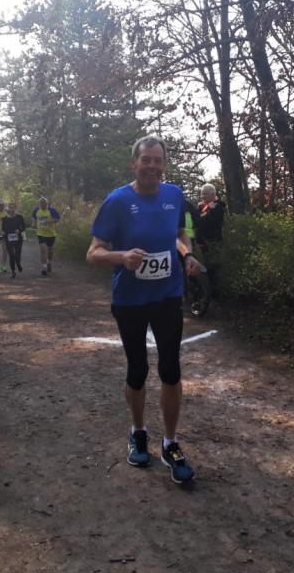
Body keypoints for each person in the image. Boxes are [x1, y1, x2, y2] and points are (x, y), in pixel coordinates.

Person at [87, 135, 202, 484]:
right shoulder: (118, 201)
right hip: (130, 300)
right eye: (146, 160)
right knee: (137, 369)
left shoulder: (174, 195)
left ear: (164, 163)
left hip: (168, 295)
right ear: (134, 163)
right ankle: (138, 432)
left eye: (157, 160)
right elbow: (93, 252)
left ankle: (170, 443)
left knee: (170, 369)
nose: (152, 166)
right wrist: (121, 256)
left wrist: (188, 254)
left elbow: (180, 234)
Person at [32, 197, 60, 276]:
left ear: (47, 204)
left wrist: (48, 221)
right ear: (39, 204)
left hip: (51, 234)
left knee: (50, 251)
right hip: (40, 233)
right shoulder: (36, 210)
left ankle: (49, 262)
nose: (42, 205)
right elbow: (33, 217)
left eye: (44, 204)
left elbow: (57, 219)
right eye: (41, 204)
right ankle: (44, 267)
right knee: (43, 250)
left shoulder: (52, 210)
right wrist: (33, 224)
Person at [196, 183, 226, 250]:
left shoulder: (218, 206)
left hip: (213, 244)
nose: (202, 196)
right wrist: (198, 209)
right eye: (202, 194)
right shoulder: (202, 207)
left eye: (205, 194)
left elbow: (214, 223)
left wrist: (212, 210)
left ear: (213, 194)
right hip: (201, 244)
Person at [2, 201, 26, 278]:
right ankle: (13, 271)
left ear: (15, 209)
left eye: (13, 208)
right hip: (8, 239)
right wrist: (3, 233)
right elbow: (3, 229)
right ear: (8, 209)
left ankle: (18, 263)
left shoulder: (20, 217)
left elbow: (24, 227)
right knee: (11, 255)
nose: (11, 209)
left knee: (17, 255)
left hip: (18, 239)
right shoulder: (5, 219)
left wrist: (19, 230)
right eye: (10, 208)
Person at [0, 199, 10, 274]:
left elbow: (9, 225)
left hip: (4, 234)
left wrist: (5, 231)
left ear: (4, 206)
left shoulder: (7, 214)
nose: (0, 206)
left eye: (2, 205)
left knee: (4, 250)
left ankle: (4, 265)